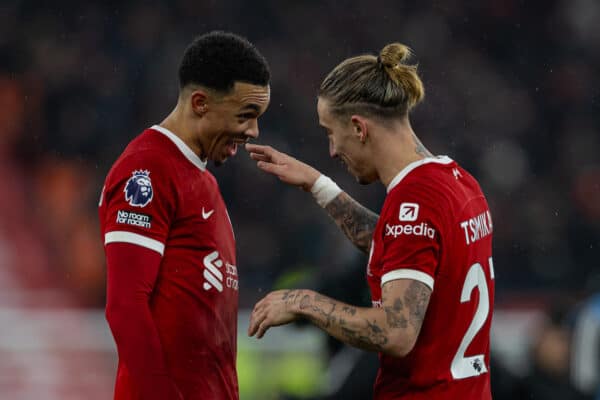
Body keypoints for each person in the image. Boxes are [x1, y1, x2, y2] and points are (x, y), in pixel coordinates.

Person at [247, 43, 495, 399]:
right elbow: (402, 248)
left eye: (331, 133)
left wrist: (303, 301)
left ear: (359, 128)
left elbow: (396, 332)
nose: (332, 150)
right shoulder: (457, 182)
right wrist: (320, 186)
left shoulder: (414, 201)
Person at [98, 31, 270, 400]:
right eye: (246, 115)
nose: (253, 131)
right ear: (200, 103)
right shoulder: (146, 169)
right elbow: (125, 307)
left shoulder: (204, 181)